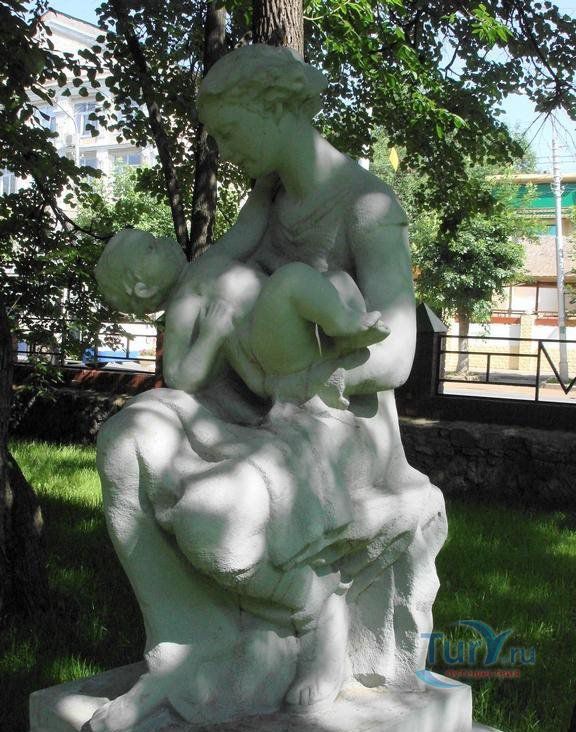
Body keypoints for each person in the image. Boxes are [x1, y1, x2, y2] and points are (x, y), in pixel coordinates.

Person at [87, 44, 447, 732]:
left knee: (213, 517)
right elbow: (213, 274)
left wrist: (308, 373)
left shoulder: (369, 206)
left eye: (229, 132)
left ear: (276, 108)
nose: (223, 152)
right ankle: (188, 647)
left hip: (332, 420)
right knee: (126, 439)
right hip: (253, 397)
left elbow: (398, 353)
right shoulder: (269, 197)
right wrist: (207, 312)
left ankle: (315, 616)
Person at [96, 228, 389, 411]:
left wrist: (264, 189)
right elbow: (177, 376)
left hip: (299, 330)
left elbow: (247, 230)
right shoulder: (183, 305)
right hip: (273, 352)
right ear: (143, 288)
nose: (161, 240)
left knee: (337, 278)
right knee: (291, 280)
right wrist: (210, 337)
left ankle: (340, 349)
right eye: (150, 247)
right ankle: (344, 325)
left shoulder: (207, 262)